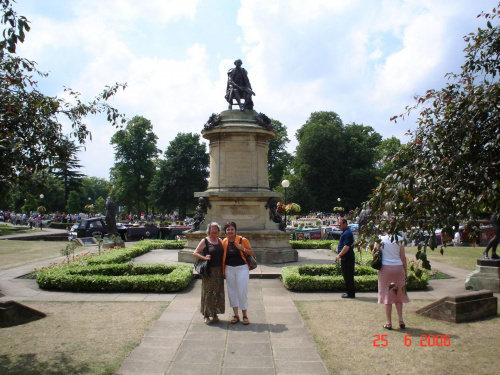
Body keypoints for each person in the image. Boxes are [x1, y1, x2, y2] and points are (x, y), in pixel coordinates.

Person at [374, 234, 410, 330]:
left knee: (387, 296)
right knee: (398, 294)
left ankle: (389, 322)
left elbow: (374, 253)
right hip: (398, 268)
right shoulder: (400, 238)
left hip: (385, 268)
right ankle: (400, 320)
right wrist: (405, 272)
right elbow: (403, 257)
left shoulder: (380, 238)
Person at [222, 221, 254, 325]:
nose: (230, 231)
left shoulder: (242, 240)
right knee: (232, 292)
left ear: (235, 230)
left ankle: (245, 314)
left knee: (242, 291)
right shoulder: (224, 242)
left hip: (242, 268)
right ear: (225, 231)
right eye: (228, 229)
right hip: (229, 268)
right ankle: (235, 315)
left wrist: (243, 248)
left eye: (232, 229)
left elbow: (251, 252)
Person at [193, 222, 225, 325]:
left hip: (219, 270)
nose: (214, 231)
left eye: (216, 229)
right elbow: (195, 253)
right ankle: (206, 315)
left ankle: (214, 313)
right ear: (209, 230)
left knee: (218, 291)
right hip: (209, 270)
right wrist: (204, 257)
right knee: (208, 292)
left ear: (218, 230)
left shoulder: (220, 240)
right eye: (212, 229)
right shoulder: (205, 241)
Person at [336, 218, 355, 298]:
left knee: (348, 276)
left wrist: (339, 255)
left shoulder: (347, 233)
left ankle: (350, 293)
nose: (339, 226)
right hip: (347, 258)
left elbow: (346, 246)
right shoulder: (346, 232)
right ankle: (349, 292)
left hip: (347, 258)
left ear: (345, 224)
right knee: (347, 276)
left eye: (340, 225)